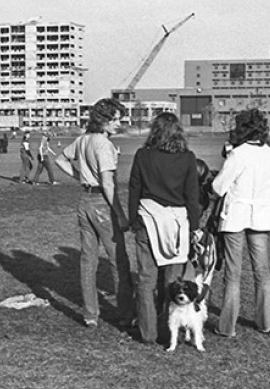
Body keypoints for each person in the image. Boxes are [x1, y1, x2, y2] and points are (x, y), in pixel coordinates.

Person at [55, 98, 134, 328]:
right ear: (104, 120)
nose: (119, 123)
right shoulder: (103, 144)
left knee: (88, 261)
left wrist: (80, 176)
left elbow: (60, 159)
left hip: (85, 200)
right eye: (115, 119)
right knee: (118, 260)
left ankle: (90, 314)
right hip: (102, 202)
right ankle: (127, 313)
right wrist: (119, 213)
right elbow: (108, 184)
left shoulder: (82, 140)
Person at [128, 112, 201, 345]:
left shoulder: (143, 155)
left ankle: (148, 332)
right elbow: (192, 197)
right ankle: (167, 327)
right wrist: (195, 226)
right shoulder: (188, 158)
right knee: (172, 281)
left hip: (147, 220)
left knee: (146, 280)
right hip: (177, 224)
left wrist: (132, 220)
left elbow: (134, 190)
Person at [211, 108, 270, 337]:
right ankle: (266, 322)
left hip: (237, 215)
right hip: (262, 213)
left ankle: (227, 326)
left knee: (233, 273)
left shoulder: (238, 154)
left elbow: (218, 187)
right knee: (262, 271)